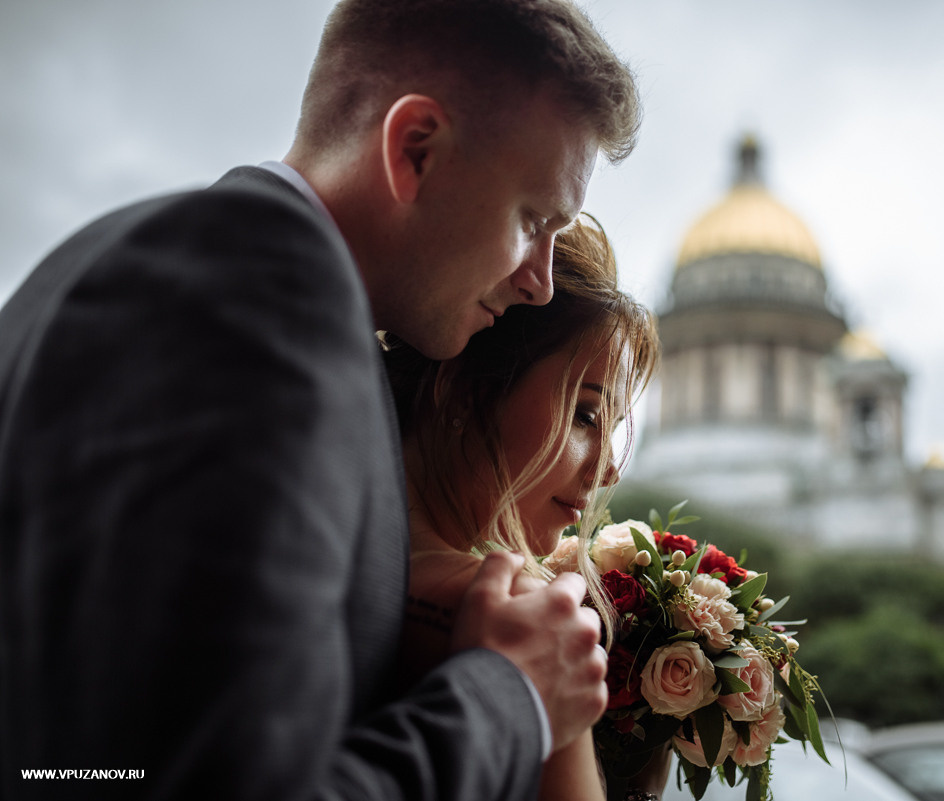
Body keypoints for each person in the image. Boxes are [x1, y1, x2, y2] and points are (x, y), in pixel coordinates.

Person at [0, 1, 639, 799]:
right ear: (416, 149)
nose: (541, 277)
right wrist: (511, 699)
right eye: (531, 219)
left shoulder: (175, 260)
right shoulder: (255, 311)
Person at [385, 217, 663, 801]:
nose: (608, 470)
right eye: (586, 416)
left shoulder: (330, 558)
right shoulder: (526, 625)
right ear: (465, 390)